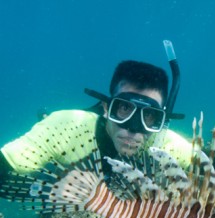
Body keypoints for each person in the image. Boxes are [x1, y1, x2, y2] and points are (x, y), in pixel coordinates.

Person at [0, 42, 192, 181]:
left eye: (149, 116)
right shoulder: (65, 127)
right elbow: (7, 163)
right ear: (106, 107)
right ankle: (42, 115)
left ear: (161, 120)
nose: (133, 129)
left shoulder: (167, 145)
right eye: (125, 108)